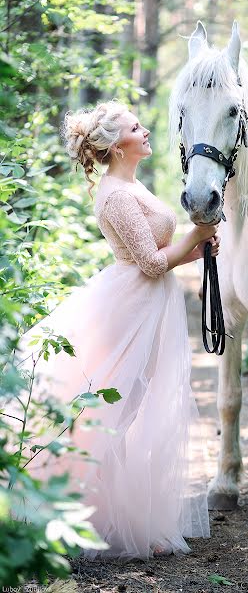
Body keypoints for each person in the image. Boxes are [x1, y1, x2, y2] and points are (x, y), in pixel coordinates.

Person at [15, 99, 220, 561]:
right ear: (116, 145)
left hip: (147, 305)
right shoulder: (115, 195)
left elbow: (157, 250)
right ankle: (95, 520)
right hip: (129, 308)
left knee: (126, 413)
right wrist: (195, 236)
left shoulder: (132, 183)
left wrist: (197, 249)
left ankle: (115, 518)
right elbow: (148, 263)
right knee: (115, 416)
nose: (145, 131)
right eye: (136, 127)